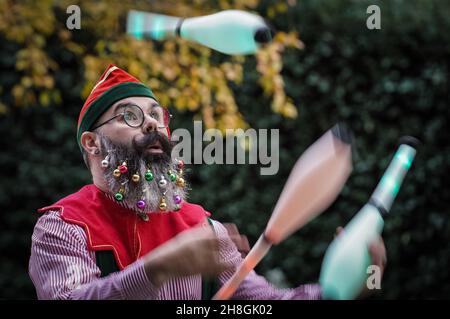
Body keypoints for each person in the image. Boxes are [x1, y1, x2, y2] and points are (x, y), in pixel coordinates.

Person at [29, 64, 386, 300]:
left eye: (157, 115)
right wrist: (159, 268)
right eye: (131, 116)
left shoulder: (203, 228)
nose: (153, 125)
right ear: (91, 143)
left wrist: (341, 291)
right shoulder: (63, 228)